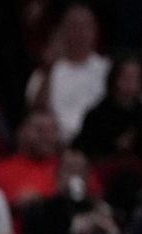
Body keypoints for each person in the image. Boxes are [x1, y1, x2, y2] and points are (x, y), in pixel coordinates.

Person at [25, 3, 111, 144]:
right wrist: (49, 71)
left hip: (99, 144)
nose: (80, 33)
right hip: (57, 145)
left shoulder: (108, 69)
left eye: (85, 26)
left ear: (96, 30)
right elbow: (35, 111)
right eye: (74, 26)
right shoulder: (46, 71)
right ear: (61, 31)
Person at [74, 55, 142, 159]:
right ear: (115, 79)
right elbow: (86, 149)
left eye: (136, 77)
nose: (130, 82)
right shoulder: (97, 116)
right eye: (126, 77)